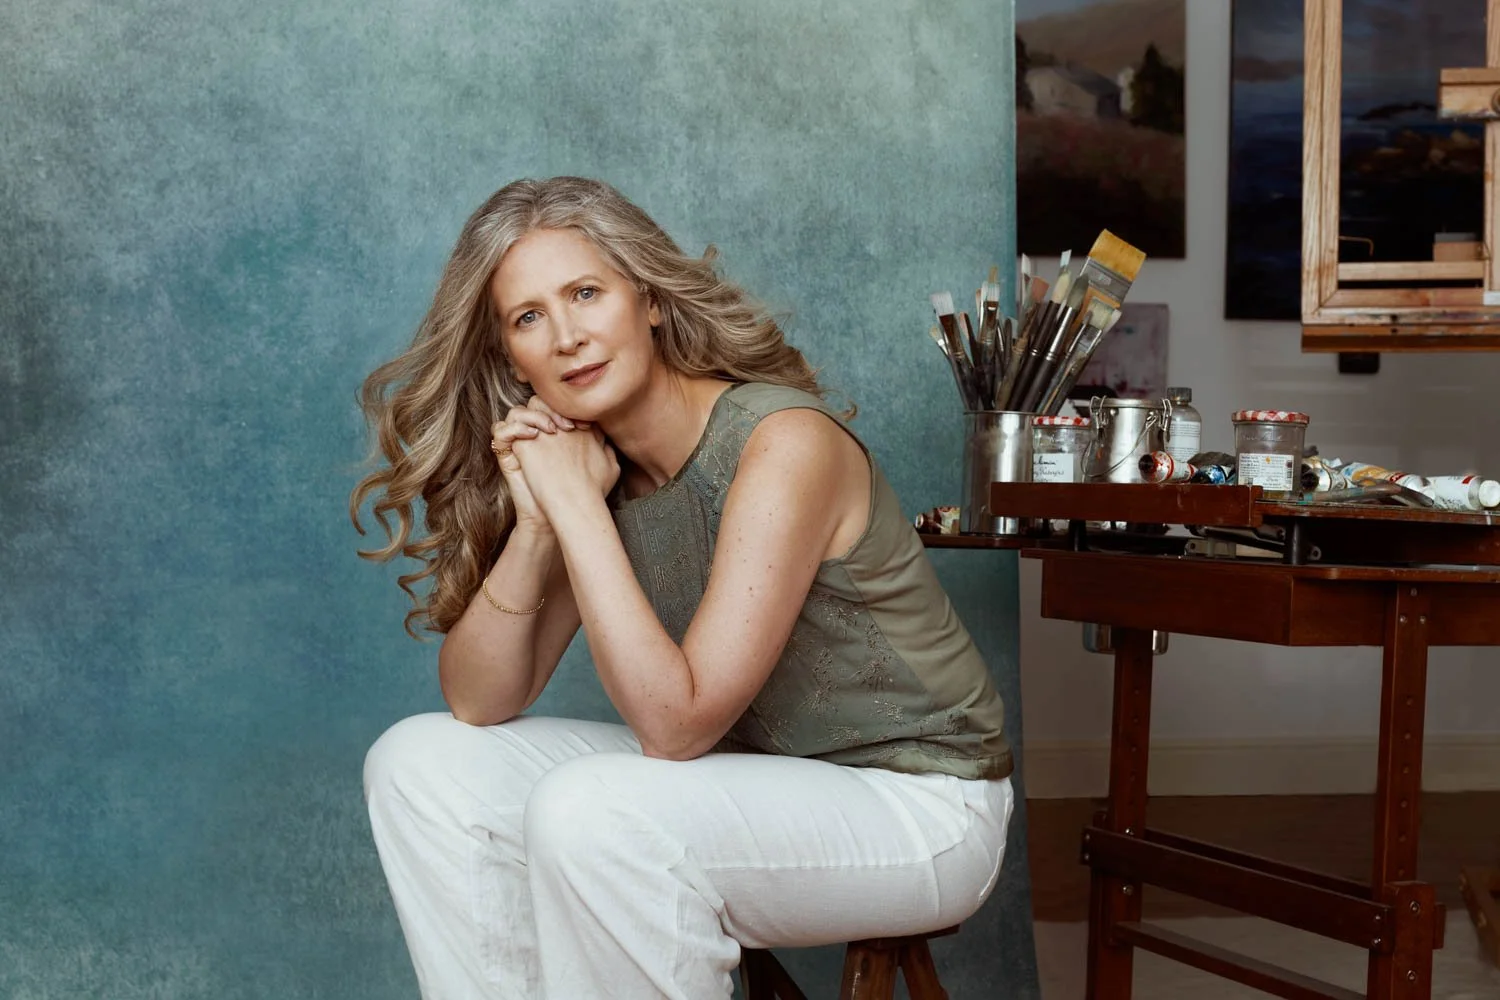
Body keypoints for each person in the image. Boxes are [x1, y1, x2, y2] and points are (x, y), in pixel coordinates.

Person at [351, 176, 1014, 1000]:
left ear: (650, 300)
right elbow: (479, 701)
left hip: (920, 805)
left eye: (586, 293)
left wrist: (574, 506)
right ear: (509, 357)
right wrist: (540, 523)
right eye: (529, 318)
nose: (565, 337)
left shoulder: (782, 444)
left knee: (595, 811)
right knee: (420, 762)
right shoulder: (593, 470)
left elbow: (676, 727)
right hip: (760, 779)